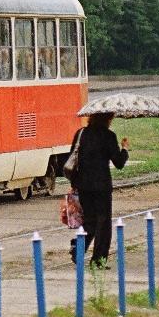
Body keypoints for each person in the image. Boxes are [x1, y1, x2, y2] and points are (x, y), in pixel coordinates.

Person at [69, 112, 129, 268]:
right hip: (101, 187)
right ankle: (98, 260)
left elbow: (71, 158)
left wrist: (75, 181)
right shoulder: (108, 136)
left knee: (89, 220)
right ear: (107, 119)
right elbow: (119, 163)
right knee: (103, 223)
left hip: (83, 185)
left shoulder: (81, 133)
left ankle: (78, 248)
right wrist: (124, 149)